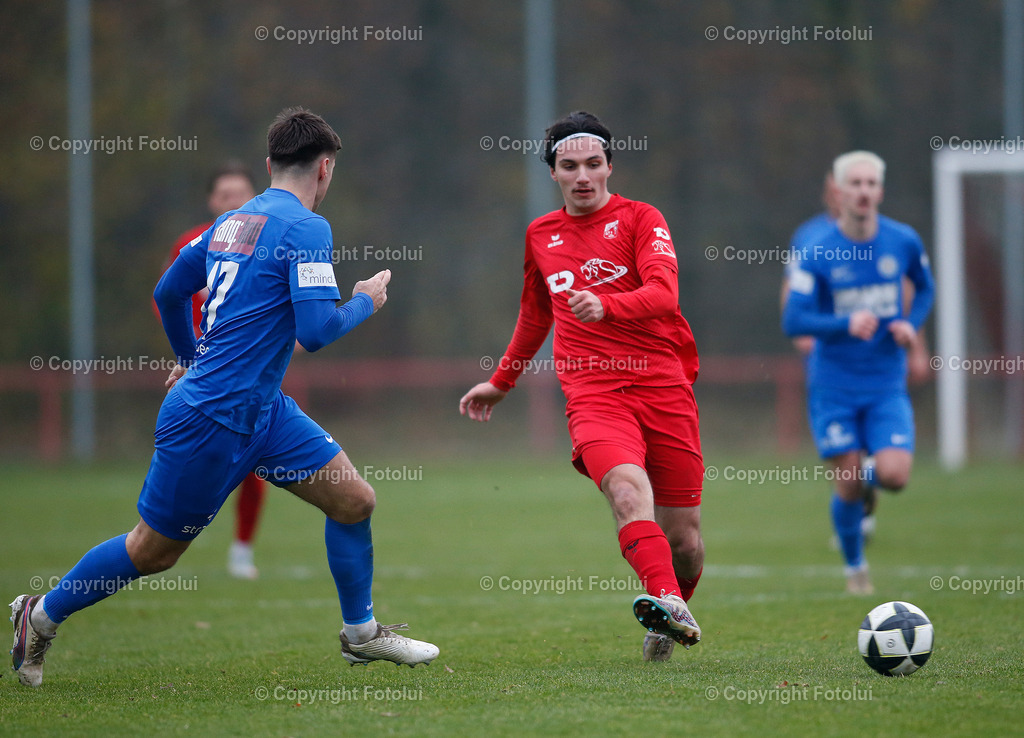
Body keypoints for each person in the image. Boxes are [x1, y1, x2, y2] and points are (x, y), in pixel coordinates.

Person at [10, 107, 438, 688]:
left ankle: (361, 634)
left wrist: (189, 357)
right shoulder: (308, 228)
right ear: (325, 167)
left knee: (354, 501)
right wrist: (365, 299)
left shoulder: (231, 222)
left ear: (268, 163)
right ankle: (39, 615)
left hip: (264, 411)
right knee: (152, 551)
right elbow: (315, 333)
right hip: (209, 418)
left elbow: (168, 292)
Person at [460, 111, 704, 662]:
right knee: (626, 492)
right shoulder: (540, 235)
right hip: (593, 393)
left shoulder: (642, 218)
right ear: (553, 173)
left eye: (594, 163)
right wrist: (501, 382)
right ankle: (667, 599)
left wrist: (607, 305)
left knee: (685, 541)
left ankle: (670, 613)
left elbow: (664, 293)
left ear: (610, 166)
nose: (583, 176)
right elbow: (535, 313)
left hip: (663, 386)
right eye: (569, 166)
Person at [782, 150, 935, 595]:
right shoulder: (816, 250)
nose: (864, 191)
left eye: (871, 183)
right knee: (848, 487)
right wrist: (843, 324)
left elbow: (925, 287)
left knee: (895, 476)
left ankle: (863, 469)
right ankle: (855, 569)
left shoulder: (903, 240)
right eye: (856, 183)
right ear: (840, 191)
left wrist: (911, 325)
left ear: (880, 191)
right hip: (834, 385)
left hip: (885, 384)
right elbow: (793, 320)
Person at [159, 161, 267, 580]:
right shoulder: (194, 244)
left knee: (255, 462)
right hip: (200, 376)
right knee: (189, 462)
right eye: (225, 195)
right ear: (211, 201)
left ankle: (242, 549)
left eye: (241, 194)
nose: (234, 202)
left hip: (252, 374)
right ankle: (158, 541)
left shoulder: (269, 240)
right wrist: (188, 356)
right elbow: (168, 298)